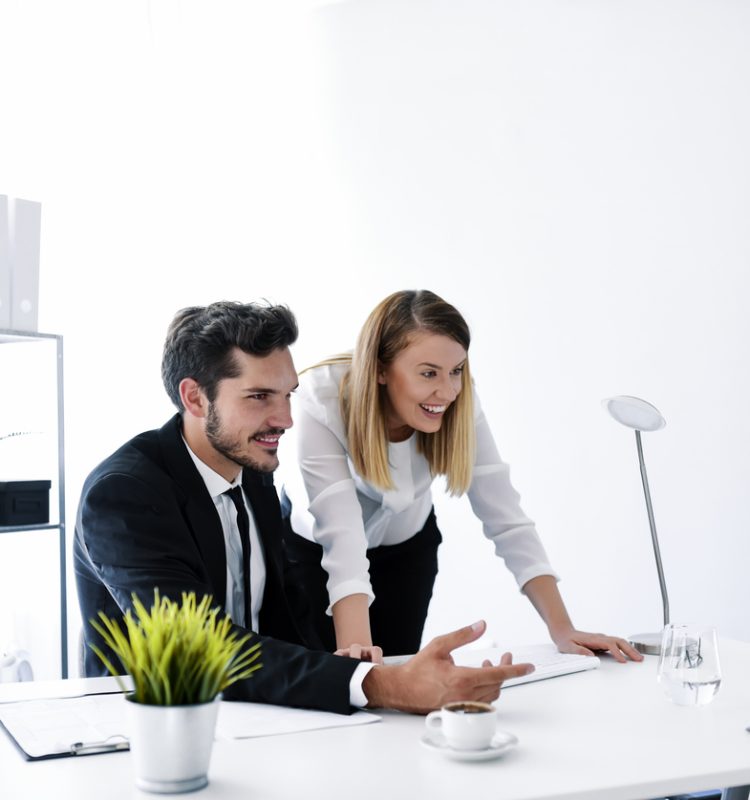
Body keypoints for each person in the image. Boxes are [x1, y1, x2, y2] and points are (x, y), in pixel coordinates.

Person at [74, 300, 534, 715]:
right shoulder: (123, 495)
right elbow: (197, 643)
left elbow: (282, 620)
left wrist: (375, 669)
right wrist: (382, 685)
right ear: (194, 397)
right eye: (259, 397)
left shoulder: (252, 473)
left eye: (288, 394)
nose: (286, 419)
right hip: (145, 728)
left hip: (252, 713)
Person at [281, 289, 644, 663]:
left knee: (398, 674)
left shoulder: (461, 401)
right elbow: (343, 538)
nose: (449, 390)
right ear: (380, 369)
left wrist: (563, 629)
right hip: (312, 553)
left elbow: (507, 519)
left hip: (407, 551)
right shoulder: (319, 398)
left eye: (456, 370)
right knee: (329, 680)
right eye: (428, 373)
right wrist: (355, 655)